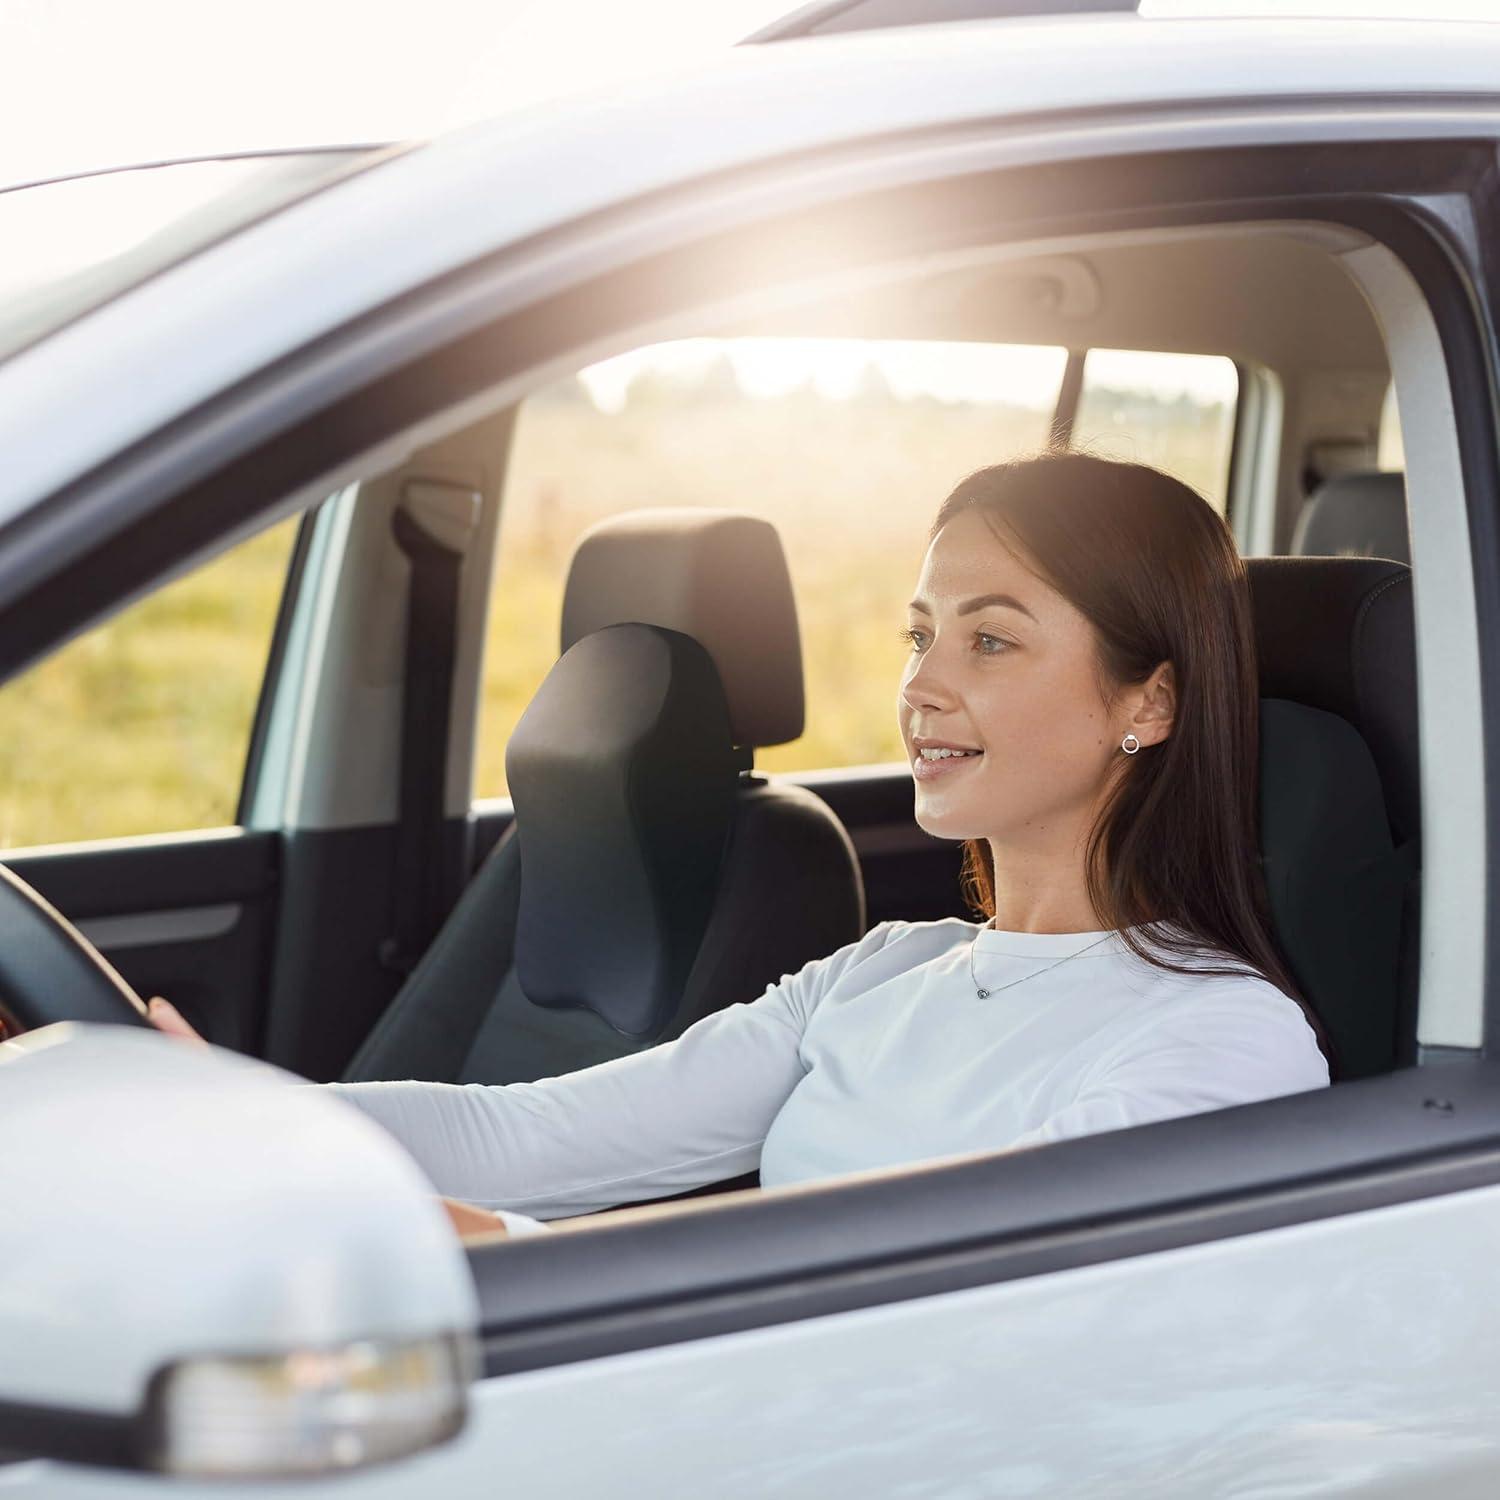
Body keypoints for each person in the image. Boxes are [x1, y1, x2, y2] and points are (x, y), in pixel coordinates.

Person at [149, 449, 1333, 1240]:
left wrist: (469, 1247)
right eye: (921, 634)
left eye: (991, 642)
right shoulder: (881, 972)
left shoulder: (1224, 1039)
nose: (919, 685)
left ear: (1151, 705)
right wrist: (254, 1121)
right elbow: (535, 1132)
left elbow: (925, 1298)